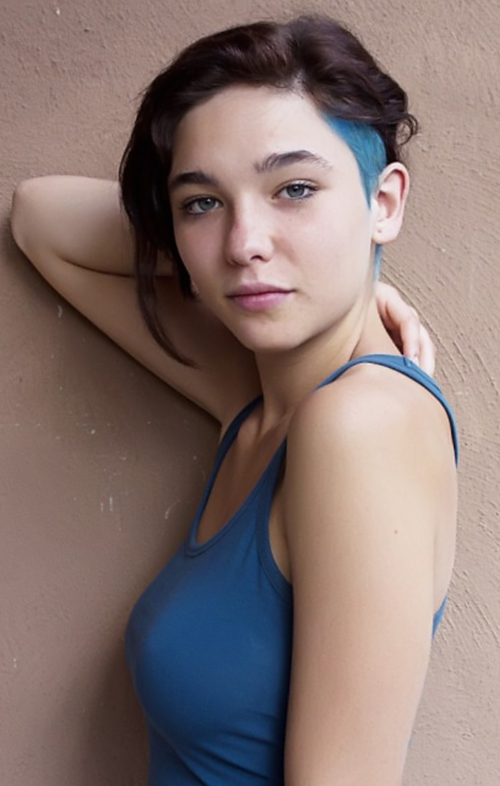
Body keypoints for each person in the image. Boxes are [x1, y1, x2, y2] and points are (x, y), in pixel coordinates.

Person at [10, 15, 457, 786]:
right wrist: (350, 273)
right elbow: (38, 217)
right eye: (202, 203)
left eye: (295, 189)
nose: (245, 242)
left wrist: (351, 271)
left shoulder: (360, 425)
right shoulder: (256, 394)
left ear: (384, 201)